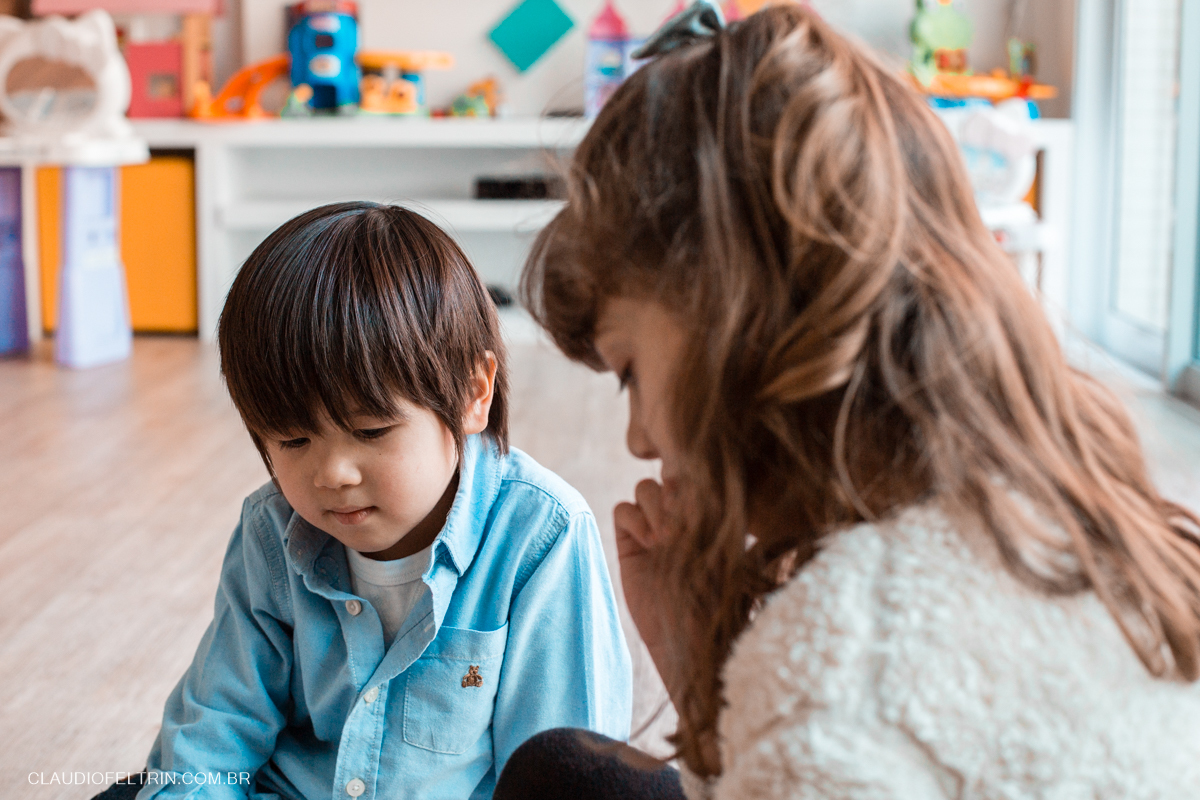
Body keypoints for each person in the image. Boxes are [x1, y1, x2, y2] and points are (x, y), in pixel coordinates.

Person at [498, 3, 1200, 799]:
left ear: (738, 332)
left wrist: (716, 690)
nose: (636, 439)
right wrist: (705, 676)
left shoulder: (836, 681)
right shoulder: (1085, 513)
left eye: (629, 374)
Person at [100, 202, 632, 800]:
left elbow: (561, 770)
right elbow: (218, 721)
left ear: (472, 393)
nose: (332, 473)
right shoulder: (271, 528)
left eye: (372, 431)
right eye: (293, 440)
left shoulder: (541, 535)